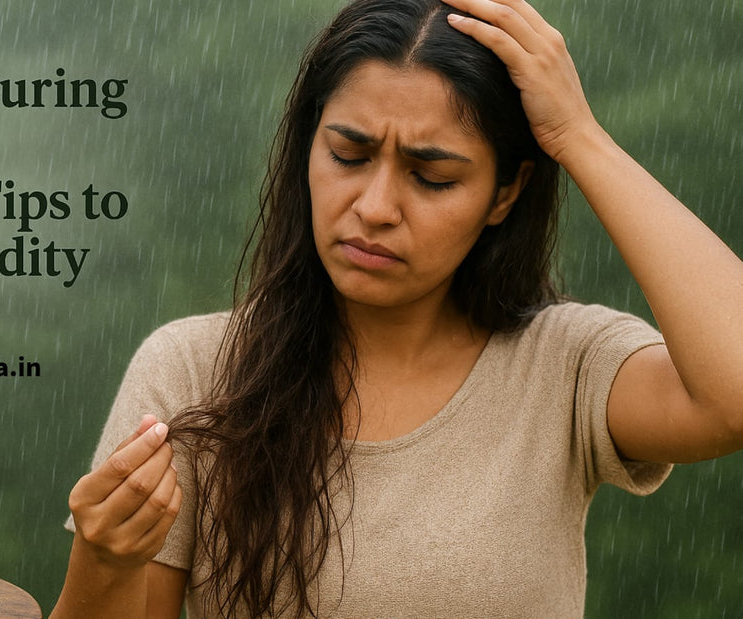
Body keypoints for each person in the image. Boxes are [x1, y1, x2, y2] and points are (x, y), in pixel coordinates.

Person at [53, 0, 743, 616]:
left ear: (505, 195)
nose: (375, 208)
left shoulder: (563, 366)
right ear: (307, 149)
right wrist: (104, 559)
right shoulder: (195, 371)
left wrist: (578, 136)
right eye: (348, 155)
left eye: (432, 176)